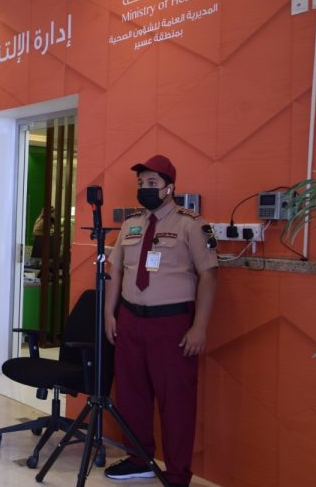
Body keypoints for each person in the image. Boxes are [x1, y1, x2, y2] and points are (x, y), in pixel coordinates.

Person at [103, 155, 218, 487]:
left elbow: (209, 276)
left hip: (172, 324)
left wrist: (200, 327)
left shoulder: (191, 224)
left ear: (170, 188)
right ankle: (139, 458)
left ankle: (178, 473)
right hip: (130, 320)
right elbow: (115, 271)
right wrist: (110, 313)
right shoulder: (131, 224)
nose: (144, 188)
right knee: (131, 395)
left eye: (152, 183)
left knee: (176, 400)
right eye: (141, 183)